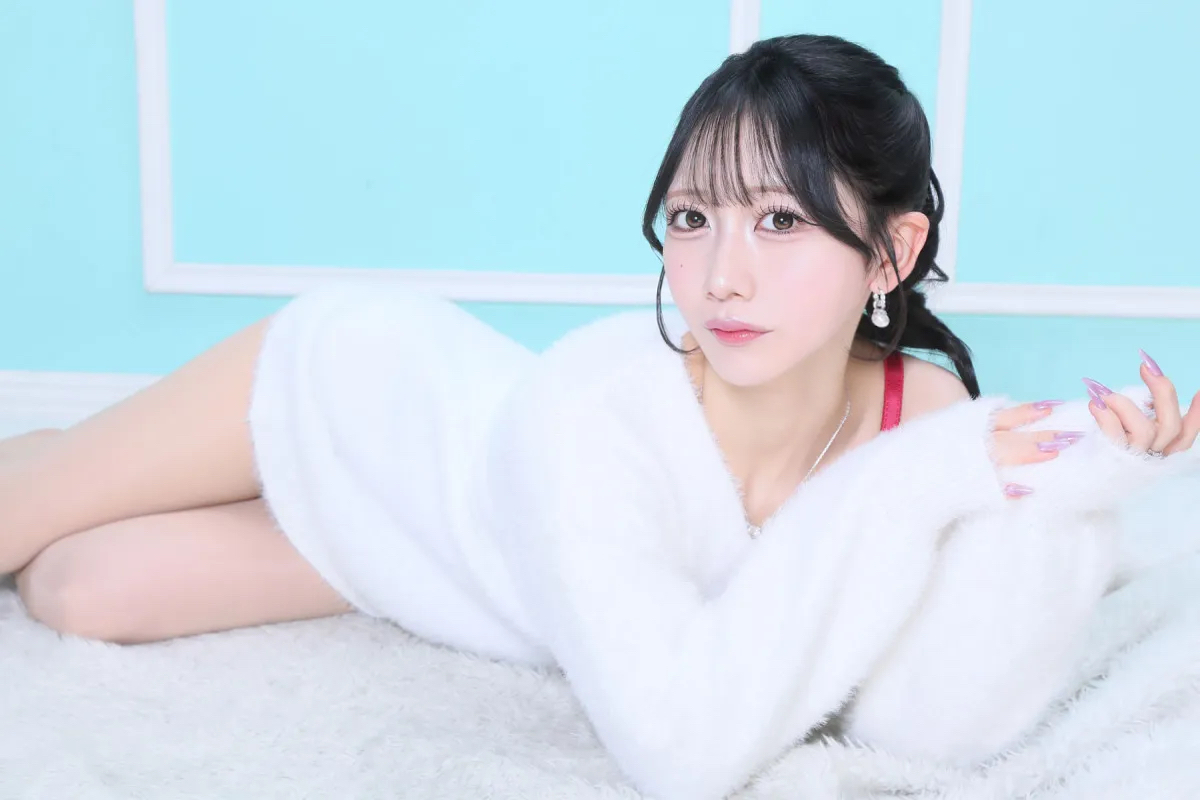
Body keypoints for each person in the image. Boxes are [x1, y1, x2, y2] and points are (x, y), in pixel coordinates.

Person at [3, 33, 1198, 800]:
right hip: (364, 405)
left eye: (781, 222)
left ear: (892, 250)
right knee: (29, 502)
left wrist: (1079, 485)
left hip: (438, 555)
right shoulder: (596, 406)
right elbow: (685, 745)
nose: (721, 274)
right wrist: (921, 485)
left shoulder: (921, 410)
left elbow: (923, 705)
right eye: (692, 218)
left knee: (76, 590)